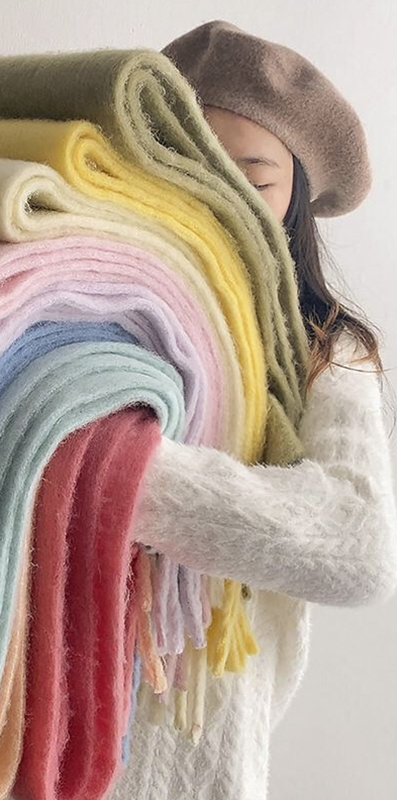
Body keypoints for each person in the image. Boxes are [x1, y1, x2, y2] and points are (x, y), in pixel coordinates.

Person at [108, 20, 397, 800]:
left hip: (203, 743)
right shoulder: (93, 303)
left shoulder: (327, 351)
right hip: (45, 721)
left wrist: (102, 468)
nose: (217, 199)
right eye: (187, 167)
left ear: (294, 196)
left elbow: (358, 542)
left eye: (252, 178)